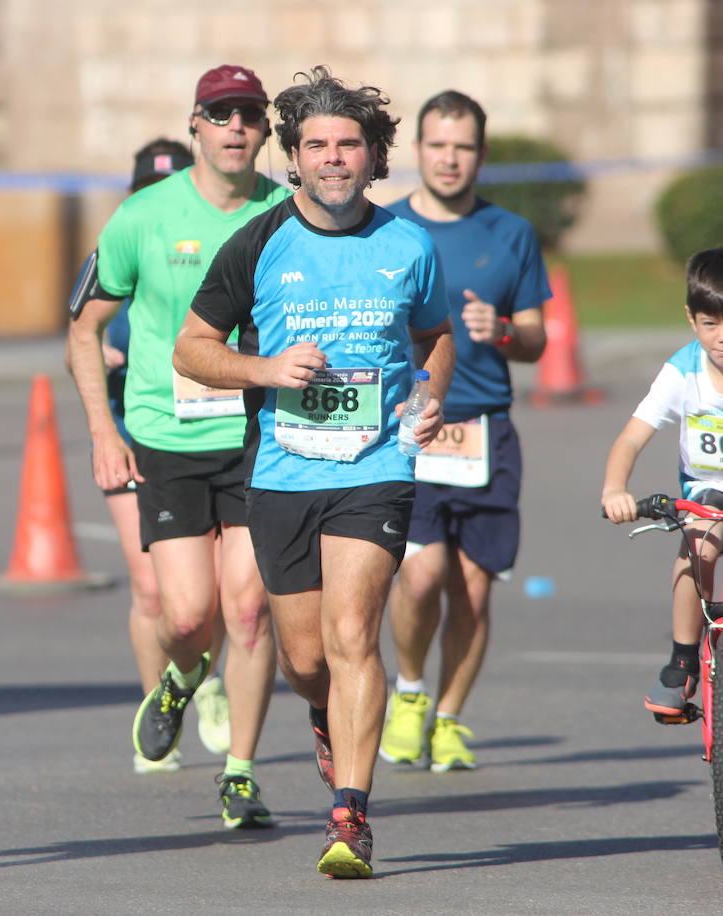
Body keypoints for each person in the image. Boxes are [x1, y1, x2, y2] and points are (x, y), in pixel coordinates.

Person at [173, 66, 455, 877]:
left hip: (378, 466)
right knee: (305, 661)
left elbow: (436, 336)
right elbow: (190, 350)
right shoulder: (259, 241)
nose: (334, 159)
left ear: (375, 158)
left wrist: (429, 397)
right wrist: (266, 373)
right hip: (286, 473)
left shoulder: (409, 244)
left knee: (350, 635)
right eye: (317, 145)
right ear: (292, 157)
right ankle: (330, 720)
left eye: (350, 145)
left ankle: (351, 816)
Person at [67, 65, 291, 830]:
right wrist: (105, 428)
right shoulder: (143, 215)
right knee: (187, 613)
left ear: (266, 132)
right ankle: (183, 675)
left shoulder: (288, 215)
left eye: (249, 117)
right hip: (166, 436)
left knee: (250, 610)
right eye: (221, 114)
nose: (236, 128)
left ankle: (240, 771)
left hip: (262, 433)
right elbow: (84, 329)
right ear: (195, 124)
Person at [379, 91, 549, 773]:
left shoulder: (511, 233)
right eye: (438, 145)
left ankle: (450, 717)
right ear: (417, 150)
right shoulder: (384, 228)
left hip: (485, 431)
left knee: (473, 588)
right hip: (413, 427)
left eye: (463, 147)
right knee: (421, 579)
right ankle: (411, 691)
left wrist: (501, 331)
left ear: (480, 154)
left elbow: (536, 339)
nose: (449, 159)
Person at [67, 137, 232, 775]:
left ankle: (200, 680)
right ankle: (157, 705)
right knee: (149, 587)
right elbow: (79, 330)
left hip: (212, 427)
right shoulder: (129, 237)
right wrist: (105, 405)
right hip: (135, 430)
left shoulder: (213, 240)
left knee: (214, 595)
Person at [601, 247, 723, 720]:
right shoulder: (684, 369)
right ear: (691, 320)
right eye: (709, 323)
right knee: (698, 545)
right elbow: (630, 440)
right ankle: (682, 659)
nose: (720, 337)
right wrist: (616, 488)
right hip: (707, 495)